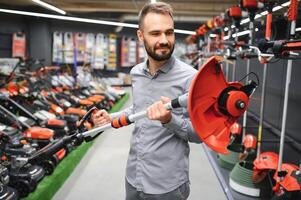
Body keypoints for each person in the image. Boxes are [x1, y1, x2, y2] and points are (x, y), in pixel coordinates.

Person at [92, 2, 201, 200]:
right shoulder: (136, 73)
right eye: (155, 33)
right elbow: (138, 109)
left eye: (169, 32)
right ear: (140, 36)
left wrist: (169, 120)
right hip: (134, 176)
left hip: (167, 186)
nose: (164, 40)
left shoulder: (191, 78)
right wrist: (112, 117)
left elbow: (199, 134)